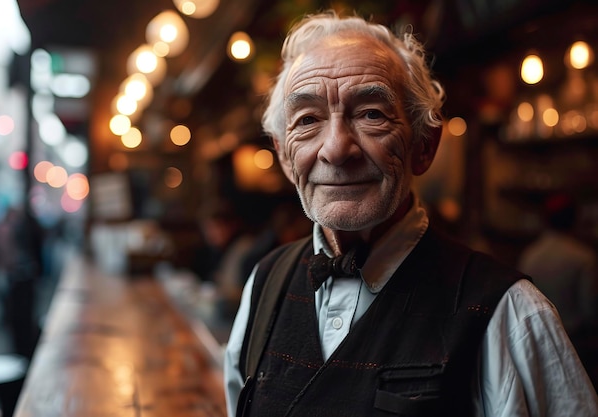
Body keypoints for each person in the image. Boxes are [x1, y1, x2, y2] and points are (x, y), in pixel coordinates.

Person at [223, 10, 598, 417]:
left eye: (371, 114)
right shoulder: (264, 284)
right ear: (283, 155)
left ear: (424, 145)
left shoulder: (509, 312)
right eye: (308, 120)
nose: (335, 148)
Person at [518, 192, 598, 385]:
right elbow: (590, 311)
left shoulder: (529, 255)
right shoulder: (583, 257)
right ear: (575, 219)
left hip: (536, 343)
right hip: (576, 346)